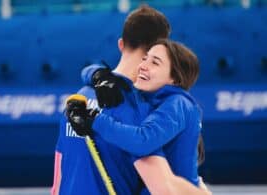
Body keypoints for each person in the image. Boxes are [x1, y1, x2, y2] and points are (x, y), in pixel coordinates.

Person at [53, 5, 211, 195]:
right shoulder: (137, 109)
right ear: (155, 48)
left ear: (121, 44)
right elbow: (163, 187)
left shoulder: (78, 99)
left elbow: (57, 182)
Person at [68, 39, 205, 191]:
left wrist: (94, 120)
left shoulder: (178, 103)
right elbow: (87, 70)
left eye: (155, 63)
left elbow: (143, 140)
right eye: (145, 58)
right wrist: (99, 75)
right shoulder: (151, 99)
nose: (142, 66)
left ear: (175, 79)